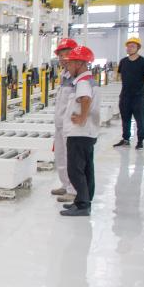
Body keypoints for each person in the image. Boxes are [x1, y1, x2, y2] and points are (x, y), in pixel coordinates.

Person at [60, 45, 101, 217]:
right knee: (86, 169)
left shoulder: (83, 81)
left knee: (75, 170)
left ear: (79, 63)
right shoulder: (89, 80)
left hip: (79, 133)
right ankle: (83, 200)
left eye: (70, 63)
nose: (67, 66)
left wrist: (82, 118)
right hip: (87, 133)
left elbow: (85, 99)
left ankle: (83, 204)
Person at [113, 36, 144, 149]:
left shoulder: (143, 62)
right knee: (125, 118)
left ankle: (140, 141)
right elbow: (119, 76)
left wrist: (137, 85)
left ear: (137, 48)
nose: (129, 48)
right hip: (125, 96)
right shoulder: (123, 61)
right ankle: (126, 139)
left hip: (138, 96)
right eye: (128, 46)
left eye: (132, 46)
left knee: (140, 119)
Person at [51, 38, 78, 204]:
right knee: (60, 156)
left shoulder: (77, 77)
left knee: (71, 158)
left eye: (66, 54)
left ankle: (73, 190)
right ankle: (65, 184)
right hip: (60, 124)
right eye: (60, 55)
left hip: (70, 126)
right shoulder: (64, 75)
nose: (63, 58)